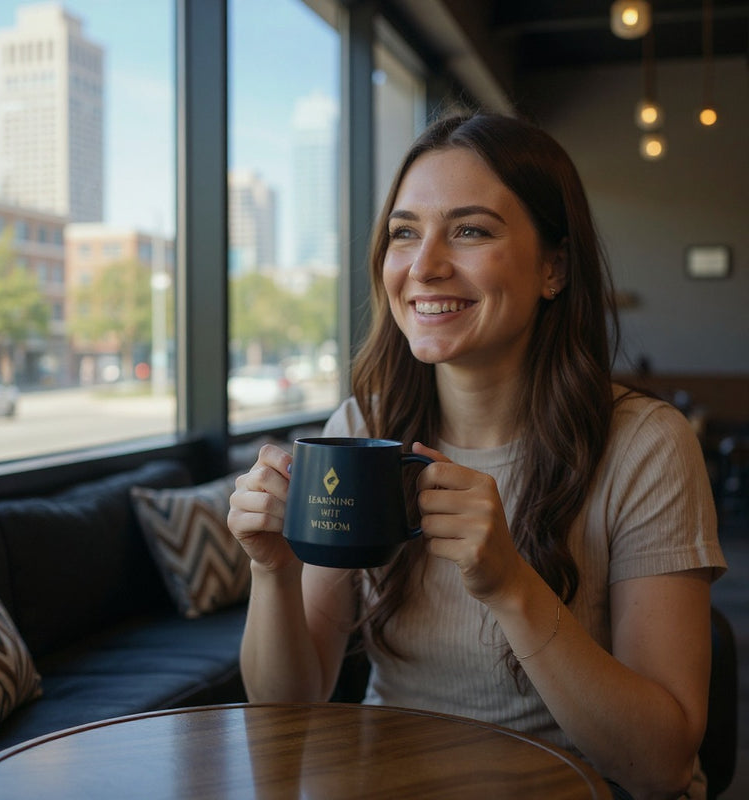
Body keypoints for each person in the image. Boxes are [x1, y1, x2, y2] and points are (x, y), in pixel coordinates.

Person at [228, 112, 726, 800]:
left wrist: (510, 585)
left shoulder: (645, 445)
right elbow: (288, 707)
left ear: (553, 267)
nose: (425, 265)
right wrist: (272, 573)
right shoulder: (360, 429)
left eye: (469, 230)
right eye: (405, 232)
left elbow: (661, 764)